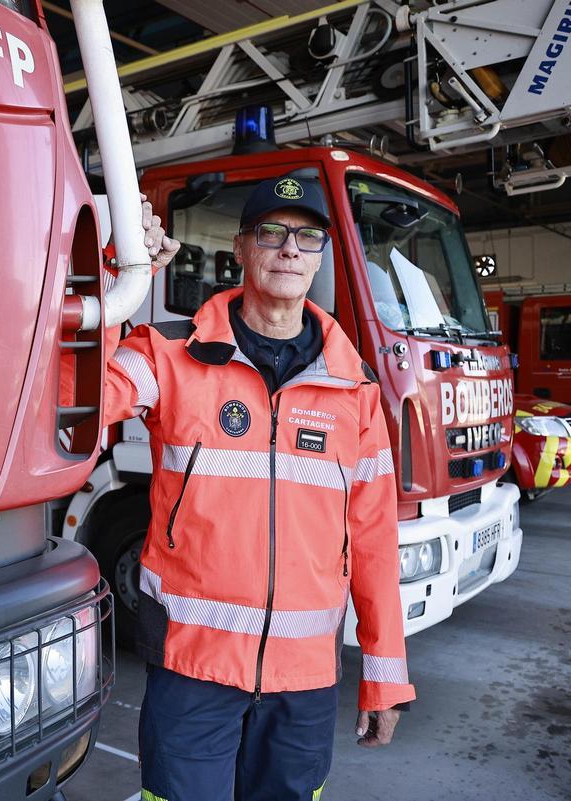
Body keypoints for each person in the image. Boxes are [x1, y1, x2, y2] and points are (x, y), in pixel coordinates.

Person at [112, 177, 416, 801]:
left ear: (321, 255)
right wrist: (108, 271)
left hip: (303, 681)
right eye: (272, 234)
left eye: (307, 237)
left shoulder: (353, 389)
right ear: (242, 248)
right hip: (192, 667)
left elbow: (374, 541)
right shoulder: (169, 354)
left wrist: (385, 678)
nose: (289, 249)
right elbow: (68, 398)